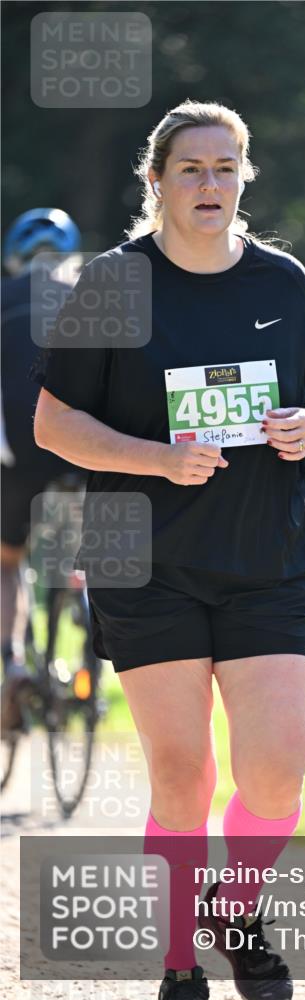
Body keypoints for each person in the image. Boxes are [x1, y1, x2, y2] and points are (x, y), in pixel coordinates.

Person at [31, 99, 305, 1000]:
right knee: (182, 776)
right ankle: (180, 959)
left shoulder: (283, 282)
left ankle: (233, 908)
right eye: (190, 169)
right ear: (157, 181)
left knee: (275, 771)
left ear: (243, 178)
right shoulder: (111, 283)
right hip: (144, 556)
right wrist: (157, 460)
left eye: (225, 168)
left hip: (270, 553)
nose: (208, 184)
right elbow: (54, 425)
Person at [1, 208, 83, 733]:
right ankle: (89, 601)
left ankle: (10, 662)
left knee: (6, 560)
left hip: (18, 456)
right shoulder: (95, 299)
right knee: (95, 539)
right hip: (85, 448)